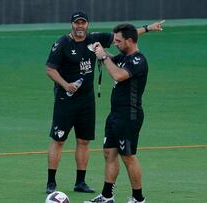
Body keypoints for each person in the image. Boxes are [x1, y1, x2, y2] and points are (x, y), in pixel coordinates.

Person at [45, 10, 164, 194]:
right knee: (61, 140)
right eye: (77, 23)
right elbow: (50, 69)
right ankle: (52, 182)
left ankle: (82, 183)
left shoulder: (97, 40)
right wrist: (66, 85)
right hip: (66, 100)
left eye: (83, 22)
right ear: (71, 24)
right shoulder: (62, 44)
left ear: (87, 24)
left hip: (90, 101)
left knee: (86, 141)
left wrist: (148, 28)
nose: (79, 26)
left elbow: (126, 38)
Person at [85, 23, 154, 203]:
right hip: (115, 114)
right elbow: (112, 61)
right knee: (109, 152)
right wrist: (101, 52)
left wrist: (103, 57)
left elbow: (118, 75)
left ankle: (138, 199)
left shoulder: (138, 60)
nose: (115, 43)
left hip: (129, 115)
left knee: (128, 156)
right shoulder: (124, 57)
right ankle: (107, 196)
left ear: (129, 41)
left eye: (118, 41)